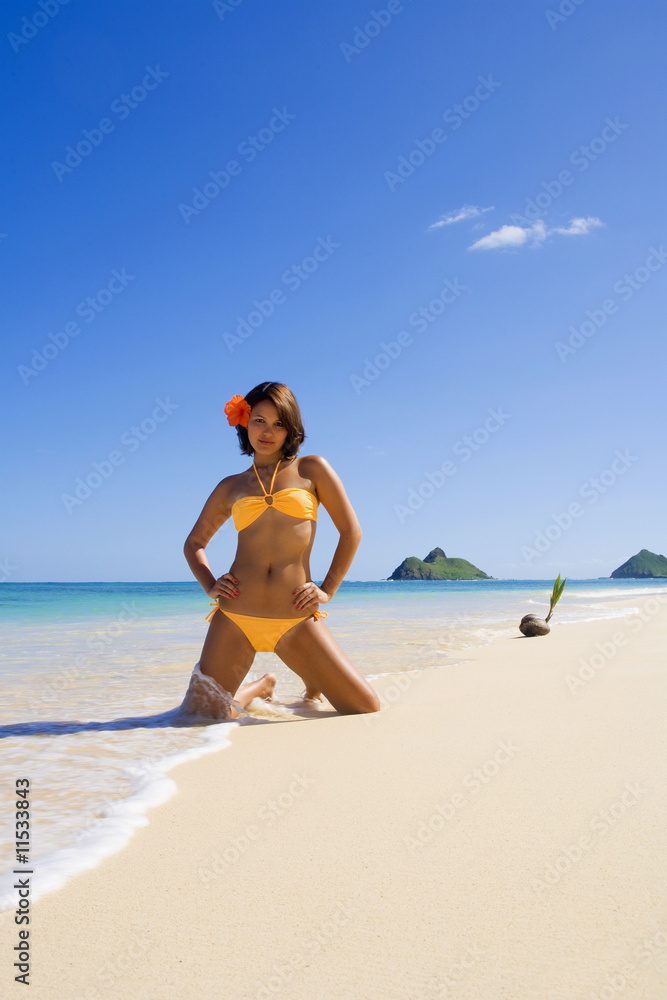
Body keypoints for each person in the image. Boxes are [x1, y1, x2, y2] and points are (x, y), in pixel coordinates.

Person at [180, 381, 380, 720]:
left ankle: (309, 676)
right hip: (235, 616)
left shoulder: (311, 470)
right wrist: (210, 584)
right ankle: (261, 686)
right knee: (199, 717)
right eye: (259, 420)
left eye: (278, 423)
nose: (268, 431)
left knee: (364, 706)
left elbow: (351, 533)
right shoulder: (231, 486)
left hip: (295, 616)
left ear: (291, 428)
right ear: (245, 423)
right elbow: (194, 544)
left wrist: (327, 589)